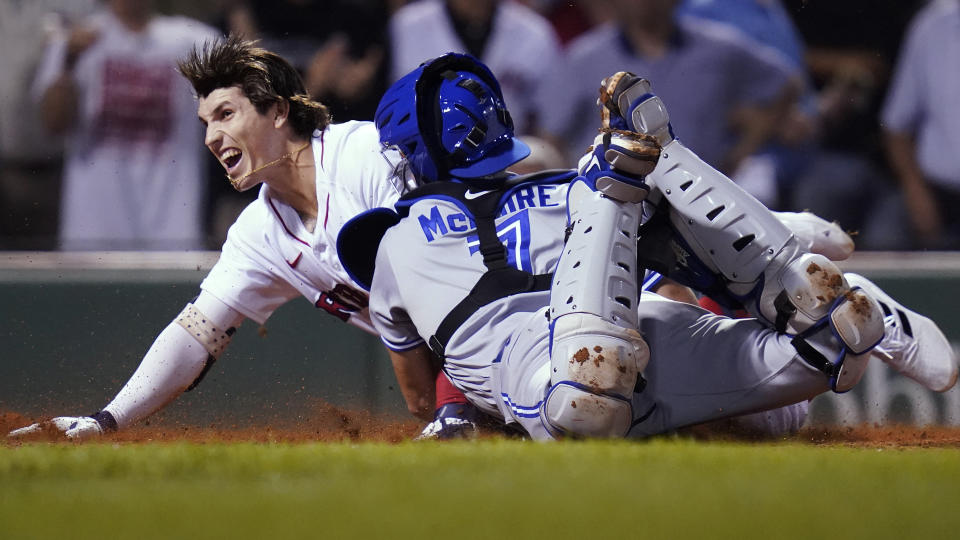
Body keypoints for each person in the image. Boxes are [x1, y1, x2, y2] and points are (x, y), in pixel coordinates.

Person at [347, 53, 957, 439]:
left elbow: (421, 396)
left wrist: (471, 415)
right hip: (648, 322)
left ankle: (615, 188)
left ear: (412, 154)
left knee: (578, 403)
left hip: (543, 362)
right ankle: (810, 288)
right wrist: (795, 229)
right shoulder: (554, 187)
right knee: (825, 358)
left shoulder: (392, 243)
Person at [8, 36, 408, 440]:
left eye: (226, 114)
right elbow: (196, 333)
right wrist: (105, 420)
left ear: (279, 111)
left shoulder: (363, 154)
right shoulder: (258, 232)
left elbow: (453, 255)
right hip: (446, 372)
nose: (211, 137)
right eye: (206, 122)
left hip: (468, 341)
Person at [32, 0, 219, 250]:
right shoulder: (77, 41)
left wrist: (237, 9)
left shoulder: (189, 40)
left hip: (171, 232)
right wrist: (69, 63)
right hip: (93, 232)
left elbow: (254, 80)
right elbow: (52, 124)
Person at [389, 0, 562, 134]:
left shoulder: (535, 32)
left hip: (512, 157)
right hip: (427, 154)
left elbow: (550, 120)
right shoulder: (407, 26)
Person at [881, 0, 960, 250]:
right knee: (885, 235)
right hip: (938, 195)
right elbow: (896, 126)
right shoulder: (932, 24)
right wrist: (916, 191)